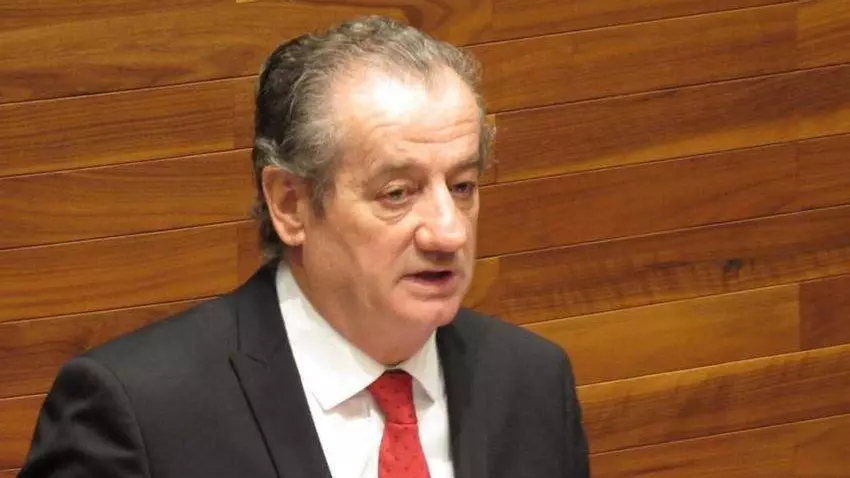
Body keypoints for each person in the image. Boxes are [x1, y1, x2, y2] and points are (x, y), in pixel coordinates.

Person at [19, 16, 589, 478]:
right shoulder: (139, 412)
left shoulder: (532, 382)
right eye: (397, 193)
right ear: (290, 204)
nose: (449, 232)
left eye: (462, 186)